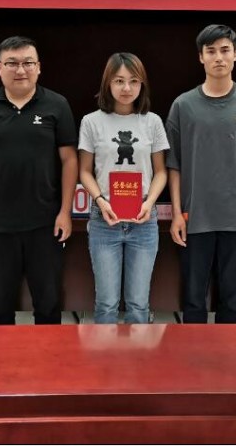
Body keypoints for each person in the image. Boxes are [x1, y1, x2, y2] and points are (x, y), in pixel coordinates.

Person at [166, 24, 236, 324]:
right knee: (193, 300)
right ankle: (194, 352)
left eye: (225, 50)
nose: (218, 57)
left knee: (233, 299)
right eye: (211, 51)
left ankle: (227, 353)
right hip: (194, 219)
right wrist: (176, 213)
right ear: (200, 57)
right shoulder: (183, 105)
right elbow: (173, 165)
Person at [0, 35, 78, 325]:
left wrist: (65, 212)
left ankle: (47, 355)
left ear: (38, 67)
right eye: (12, 63)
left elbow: (69, 160)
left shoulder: (57, 105)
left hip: (46, 223)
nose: (20, 70)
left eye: (28, 63)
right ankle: (1, 356)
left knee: (48, 306)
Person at [78, 52, 168, 324]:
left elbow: (161, 172)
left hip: (143, 218)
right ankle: (106, 354)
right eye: (119, 80)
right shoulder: (91, 121)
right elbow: (84, 171)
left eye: (133, 81)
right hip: (104, 218)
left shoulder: (152, 121)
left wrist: (149, 203)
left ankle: (136, 353)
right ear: (108, 83)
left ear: (142, 84)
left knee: (138, 304)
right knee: (106, 304)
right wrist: (100, 200)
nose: (126, 88)